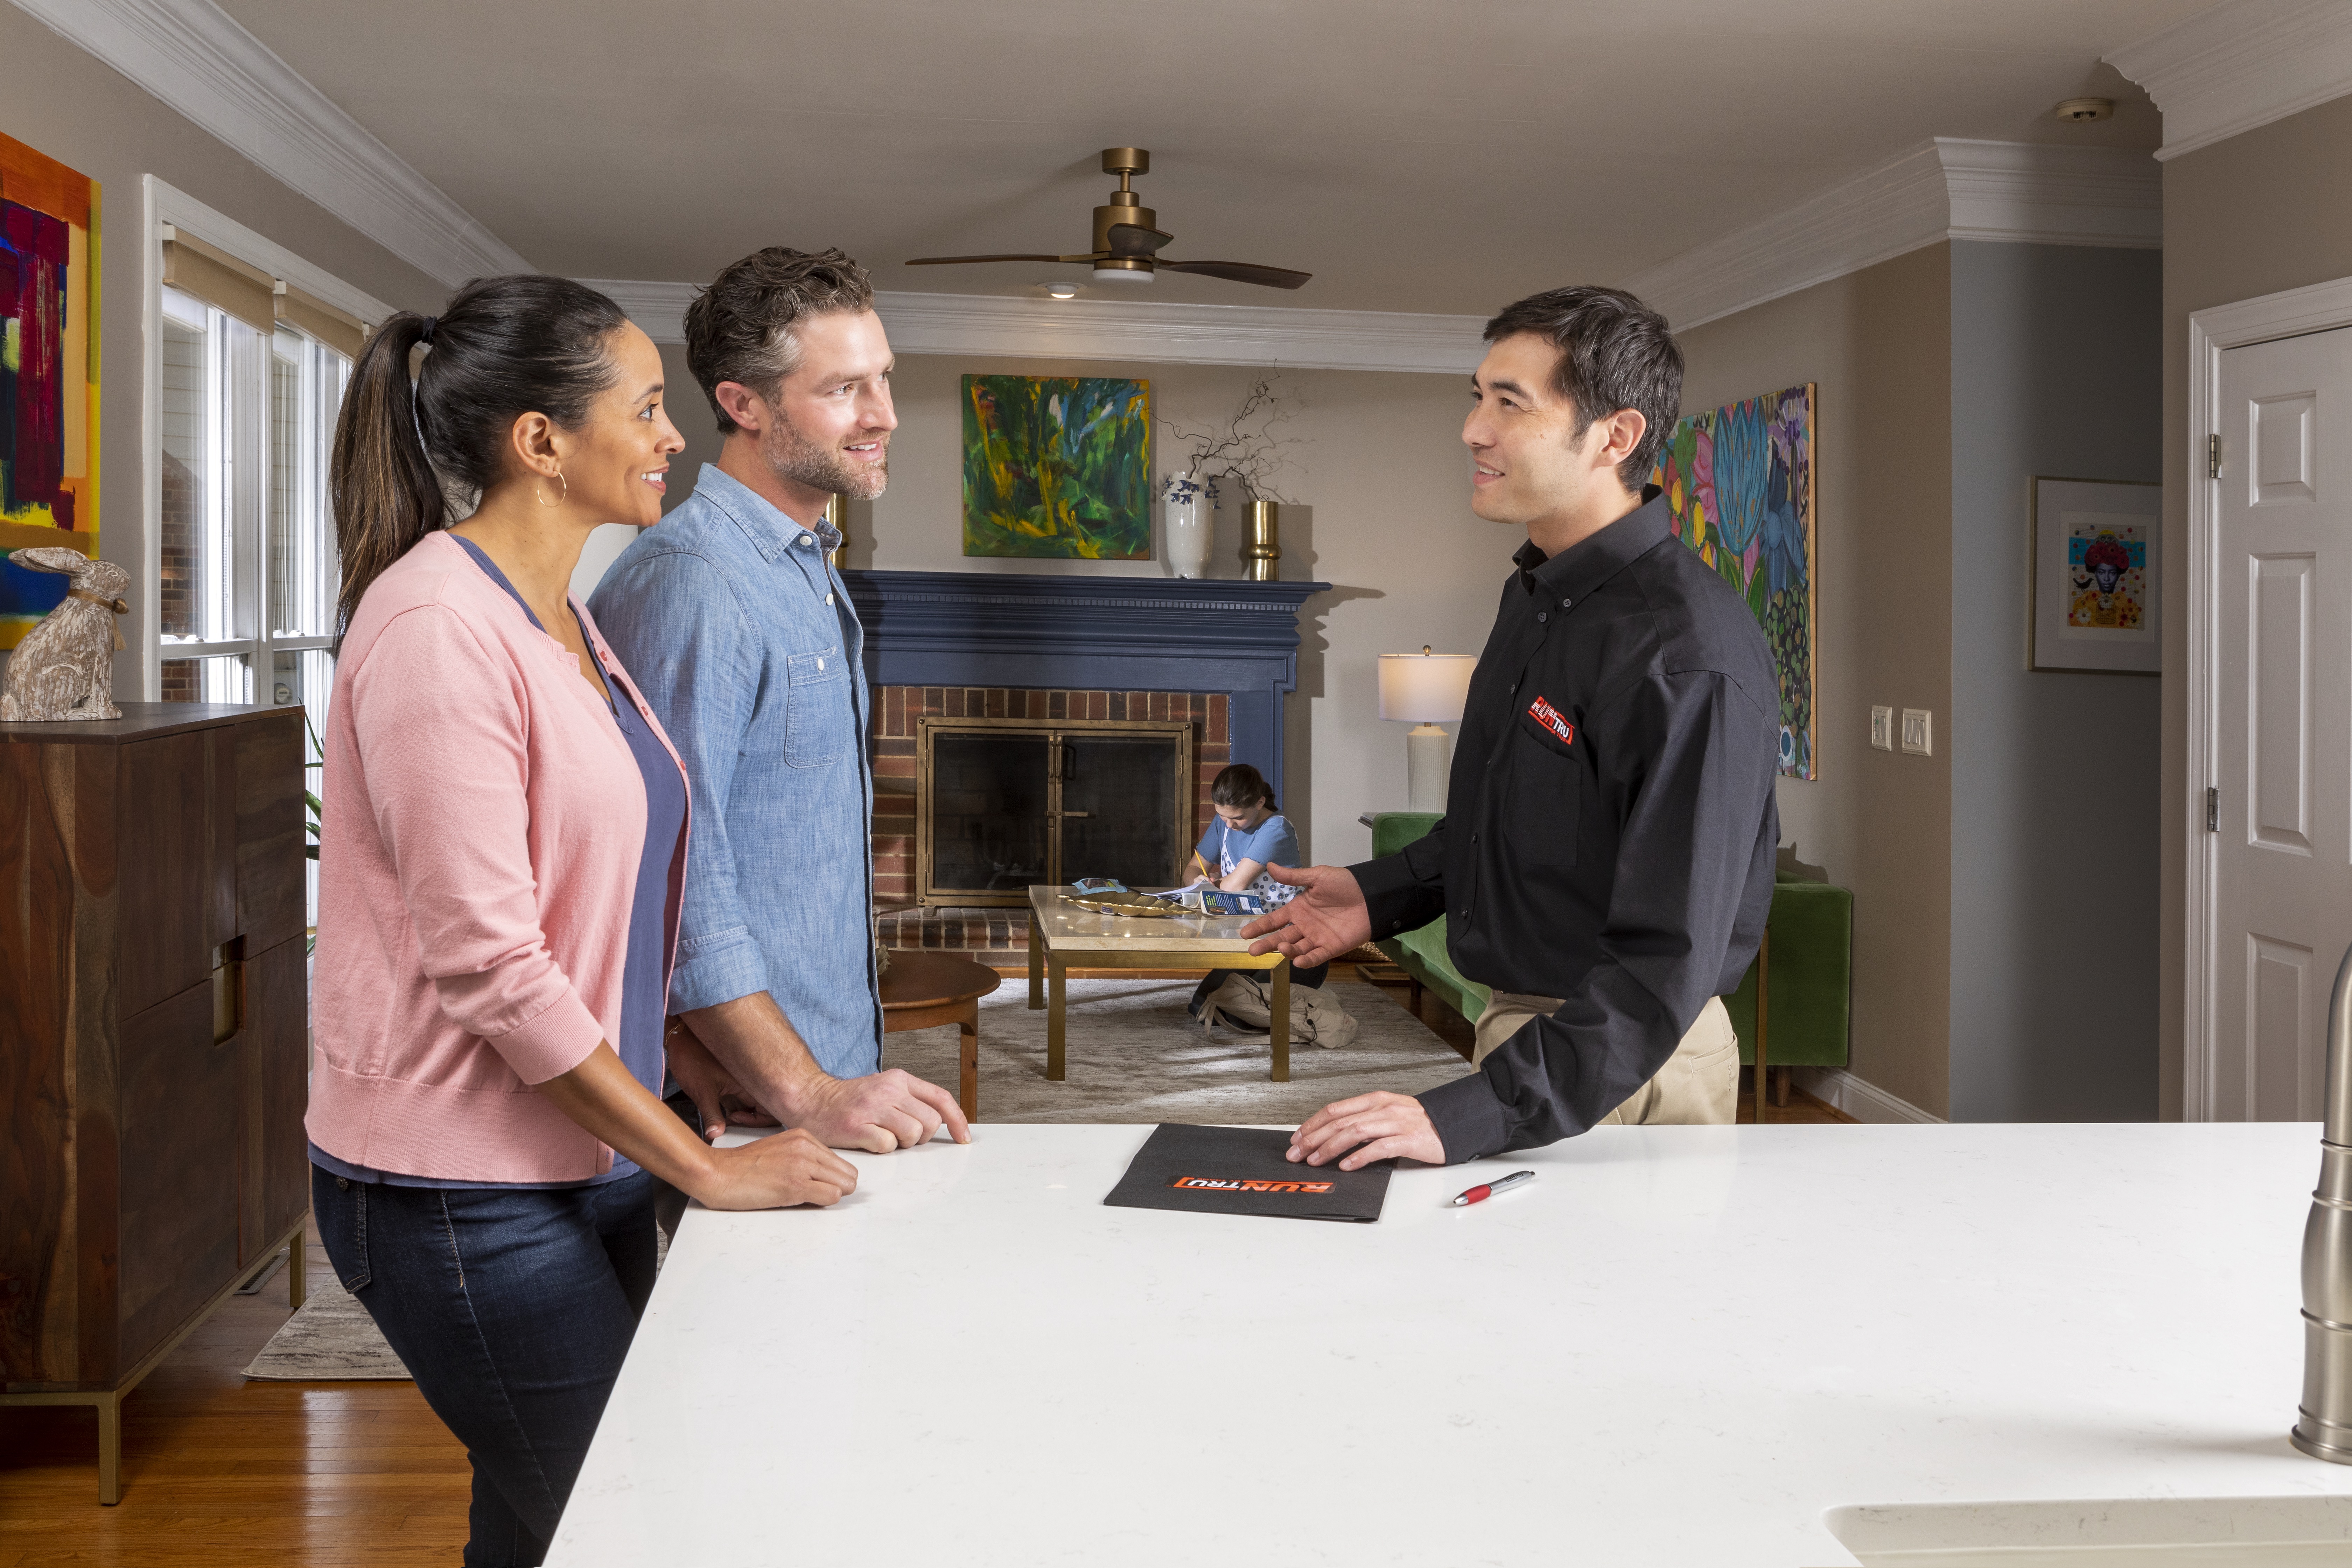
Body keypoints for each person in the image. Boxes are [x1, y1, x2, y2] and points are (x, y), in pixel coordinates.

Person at [308, 275, 861, 1568]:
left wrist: (677, 1055)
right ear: (540, 442)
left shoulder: (559, 617)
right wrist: (707, 1172)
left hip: (579, 1159)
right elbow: (493, 967)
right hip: (457, 1194)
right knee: (647, 1525)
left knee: (539, 1527)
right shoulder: (439, 627)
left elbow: (608, 876)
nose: (673, 437)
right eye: (648, 407)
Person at [1243, 285, 1781, 1170]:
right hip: (1540, 1036)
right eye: (1477, 396)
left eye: (1510, 403)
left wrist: (1473, 1112)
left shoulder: (1688, 655)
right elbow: (1513, 821)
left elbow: (1663, 966)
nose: (1472, 429)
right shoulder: (1537, 594)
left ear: (1617, 436)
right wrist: (1380, 895)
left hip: (1620, 1061)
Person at [591, 248, 968, 1154]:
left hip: (825, 1075)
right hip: (752, 1099)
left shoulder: (808, 570)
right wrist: (797, 1085)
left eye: (883, 380)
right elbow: (677, 865)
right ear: (744, 405)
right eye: (844, 390)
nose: (884, 416)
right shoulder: (695, 583)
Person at [1184, 763, 1327, 1022]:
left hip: (1291, 943)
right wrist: (1202, 879)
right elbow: (1191, 870)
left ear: (1260, 802)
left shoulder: (1276, 829)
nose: (1228, 824)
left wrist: (1212, 884)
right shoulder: (1224, 822)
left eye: (1237, 818)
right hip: (1251, 939)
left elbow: (1234, 886)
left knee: (1236, 1015)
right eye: (1222, 816)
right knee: (1201, 1006)